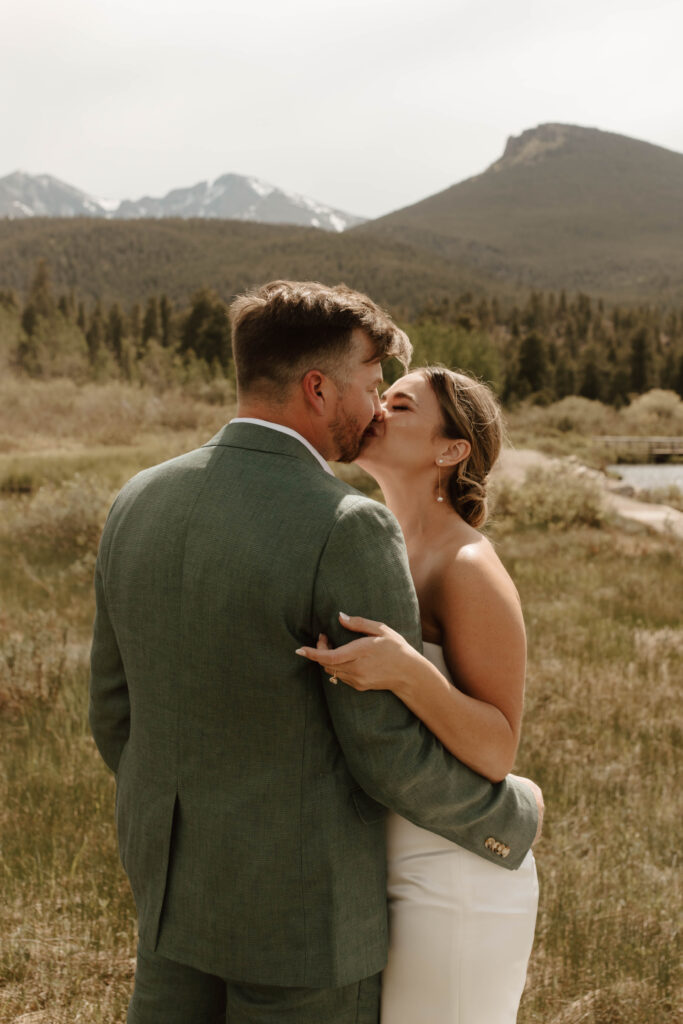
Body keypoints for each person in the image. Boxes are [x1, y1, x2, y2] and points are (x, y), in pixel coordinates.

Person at [89, 281, 542, 1024]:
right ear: (317, 387)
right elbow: (382, 752)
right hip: (301, 920)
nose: (374, 406)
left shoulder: (138, 496)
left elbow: (112, 713)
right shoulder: (347, 525)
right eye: (371, 386)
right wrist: (511, 813)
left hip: (171, 893)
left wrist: (192, 827)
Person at [298, 366, 539, 1023]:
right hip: (377, 867)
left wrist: (405, 670)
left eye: (399, 404)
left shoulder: (465, 565)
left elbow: (496, 749)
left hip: (455, 875)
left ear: (449, 450)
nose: (377, 408)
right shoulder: (382, 544)